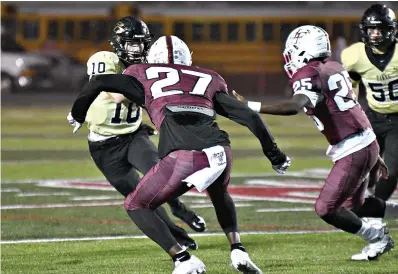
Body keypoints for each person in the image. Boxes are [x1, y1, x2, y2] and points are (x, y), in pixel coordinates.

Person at [70, 35, 291, 274]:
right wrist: (275, 155)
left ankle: (183, 259)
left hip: (185, 155)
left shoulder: (141, 73)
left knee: (136, 204)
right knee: (218, 194)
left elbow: (99, 82)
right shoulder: (208, 78)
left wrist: (78, 114)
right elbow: (249, 116)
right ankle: (238, 249)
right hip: (220, 151)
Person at [232, 25, 397, 261]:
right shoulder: (334, 67)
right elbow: (355, 108)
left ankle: (378, 238)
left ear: (302, 50)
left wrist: (250, 105)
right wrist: (374, 150)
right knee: (355, 205)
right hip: (364, 141)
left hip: (353, 147)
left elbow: (295, 105)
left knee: (326, 208)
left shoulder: (309, 73)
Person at [67, 17, 206, 250]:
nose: (137, 49)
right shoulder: (104, 60)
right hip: (103, 146)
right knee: (141, 200)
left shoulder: (146, 66)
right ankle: (179, 237)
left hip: (133, 136)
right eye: (132, 44)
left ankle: (181, 209)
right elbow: (117, 95)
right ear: (120, 43)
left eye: (141, 44)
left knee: (161, 178)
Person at [340, 4, 398, 236]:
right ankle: (365, 205)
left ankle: (376, 213)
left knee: (392, 170)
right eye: (371, 29)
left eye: (380, 29)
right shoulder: (354, 55)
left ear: (391, 30)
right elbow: (350, 87)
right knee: (364, 165)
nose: (375, 34)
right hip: (372, 116)